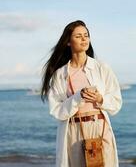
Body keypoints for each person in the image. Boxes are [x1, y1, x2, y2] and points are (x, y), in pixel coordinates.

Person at [40, 20, 122, 167]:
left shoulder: (101, 68)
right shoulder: (60, 75)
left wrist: (101, 99)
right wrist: (78, 97)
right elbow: (57, 111)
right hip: (73, 130)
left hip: (100, 128)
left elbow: (116, 102)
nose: (84, 39)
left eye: (86, 35)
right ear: (68, 42)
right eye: (78, 36)